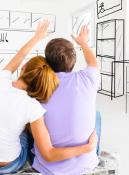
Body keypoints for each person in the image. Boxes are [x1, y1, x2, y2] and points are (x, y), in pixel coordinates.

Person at [0, 21, 97, 175]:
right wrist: (83, 42)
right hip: (9, 165)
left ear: (23, 68)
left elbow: (20, 54)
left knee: (22, 128)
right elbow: (48, 154)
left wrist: (37, 37)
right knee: (95, 117)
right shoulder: (33, 106)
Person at [32, 25, 100, 175]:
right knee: (98, 116)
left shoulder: (39, 84)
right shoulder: (89, 79)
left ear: (47, 62)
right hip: (85, 163)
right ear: (74, 59)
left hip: (48, 166)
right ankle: (90, 151)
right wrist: (83, 42)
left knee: (32, 120)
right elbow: (93, 63)